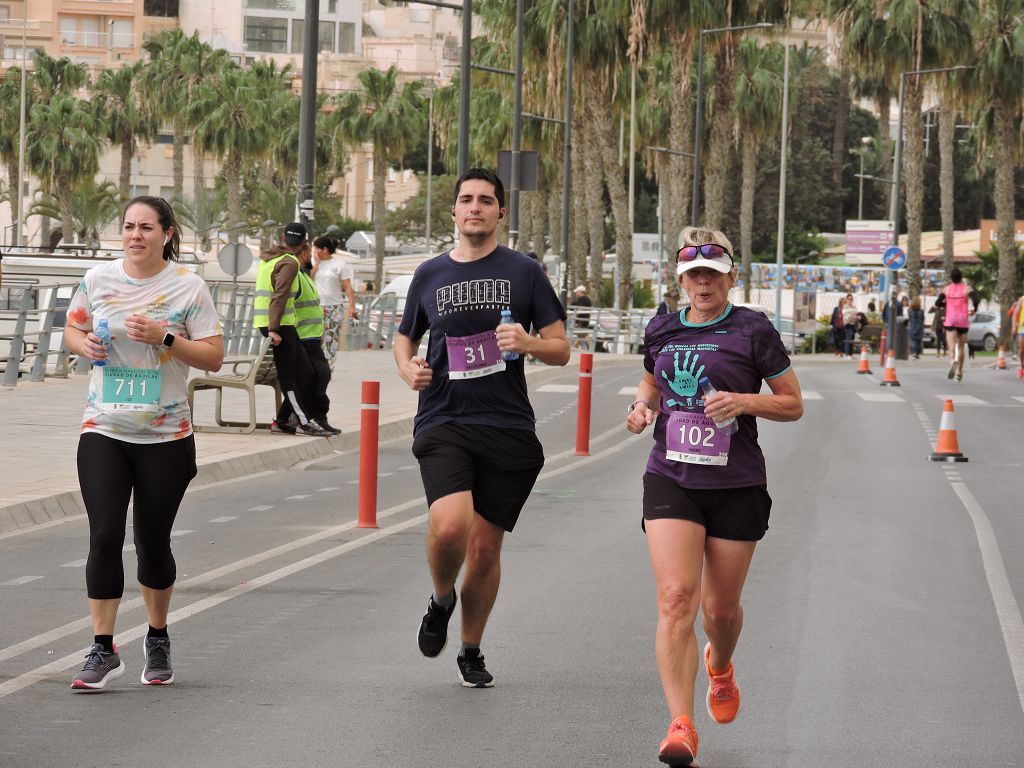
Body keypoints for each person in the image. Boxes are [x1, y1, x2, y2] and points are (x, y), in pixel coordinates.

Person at [626, 226, 803, 766]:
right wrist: (641, 409)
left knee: (718, 610)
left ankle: (720, 666)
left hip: (736, 482)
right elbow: (652, 383)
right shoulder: (660, 328)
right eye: (692, 274)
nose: (702, 283)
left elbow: (792, 403)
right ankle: (681, 726)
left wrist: (743, 402)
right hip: (671, 477)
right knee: (676, 598)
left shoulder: (753, 329)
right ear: (680, 279)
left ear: (730, 275)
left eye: (712, 273)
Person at [394, 168, 569, 688]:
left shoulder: (525, 271)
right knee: (450, 524)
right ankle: (441, 597)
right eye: (466, 199)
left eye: (486, 200)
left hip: (508, 425)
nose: (475, 207)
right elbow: (405, 339)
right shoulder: (429, 274)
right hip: (444, 417)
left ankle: (470, 648)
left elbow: (560, 349)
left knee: (486, 548)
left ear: (499, 213)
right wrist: (407, 368)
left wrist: (529, 344)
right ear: (454, 211)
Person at [62, 196, 225, 691]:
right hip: (104, 428)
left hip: (166, 435)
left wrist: (165, 338)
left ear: (168, 233)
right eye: (129, 227)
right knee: (105, 534)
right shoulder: (98, 279)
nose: (136, 235)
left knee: (152, 543)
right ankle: (102, 647)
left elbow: (213, 357)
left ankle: (156, 636)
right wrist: (83, 345)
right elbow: (73, 327)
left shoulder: (188, 287)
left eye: (147, 227)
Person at [254, 222, 332, 436]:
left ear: (282, 236)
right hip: (279, 326)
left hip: (278, 324)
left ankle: (284, 420)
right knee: (290, 376)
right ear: (304, 242)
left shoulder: (269, 259)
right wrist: (273, 329)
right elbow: (279, 295)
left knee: (305, 371)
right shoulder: (289, 263)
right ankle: (303, 423)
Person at [295, 240, 341, 434]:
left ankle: (318, 416)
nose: (311, 255)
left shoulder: (304, 275)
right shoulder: (298, 273)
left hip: (313, 334)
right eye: (309, 252)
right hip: (301, 336)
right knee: (316, 374)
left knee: (321, 373)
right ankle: (307, 418)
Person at [312, 234, 357, 369]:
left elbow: (347, 286)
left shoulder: (339, 264)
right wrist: (317, 264)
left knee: (330, 339)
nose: (314, 252)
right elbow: (309, 279)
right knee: (314, 338)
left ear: (324, 249)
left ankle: (328, 368)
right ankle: (314, 366)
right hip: (316, 306)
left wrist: (352, 307)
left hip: (334, 307)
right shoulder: (314, 264)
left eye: (316, 249)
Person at [942, 267, 971, 381]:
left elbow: (937, 302)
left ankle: (952, 361)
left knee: (951, 347)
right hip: (963, 321)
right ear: (961, 277)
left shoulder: (947, 289)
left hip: (951, 320)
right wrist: (974, 309)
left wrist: (946, 304)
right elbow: (976, 299)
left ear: (951, 278)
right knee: (961, 347)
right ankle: (959, 372)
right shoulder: (967, 289)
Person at [930, 292, 947, 358]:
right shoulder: (937, 308)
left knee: (943, 340)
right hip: (937, 326)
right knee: (938, 340)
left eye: (944, 299)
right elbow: (930, 311)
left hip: (944, 326)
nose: (943, 300)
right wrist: (933, 307)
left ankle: (945, 351)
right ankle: (938, 352)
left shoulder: (947, 308)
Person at [841, 293, 858, 359]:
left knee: (852, 339)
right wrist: (853, 316)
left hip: (853, 324)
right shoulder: (845, 307)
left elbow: (856, 315)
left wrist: (854, 316)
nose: (850, 300)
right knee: (848, 339)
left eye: (851, 299)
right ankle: (847, 354)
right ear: (847, 300)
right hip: (848, 324)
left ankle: (850, 353)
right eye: (849, 299)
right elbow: (847, 317)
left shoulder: (854, 307)